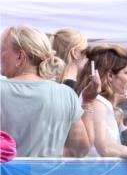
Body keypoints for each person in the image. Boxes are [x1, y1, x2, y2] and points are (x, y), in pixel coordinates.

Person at [0, 25, 90, 157]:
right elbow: (81, 149)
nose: (0, 56)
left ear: (20, 56)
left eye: (2, 50)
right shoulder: (66, 94)